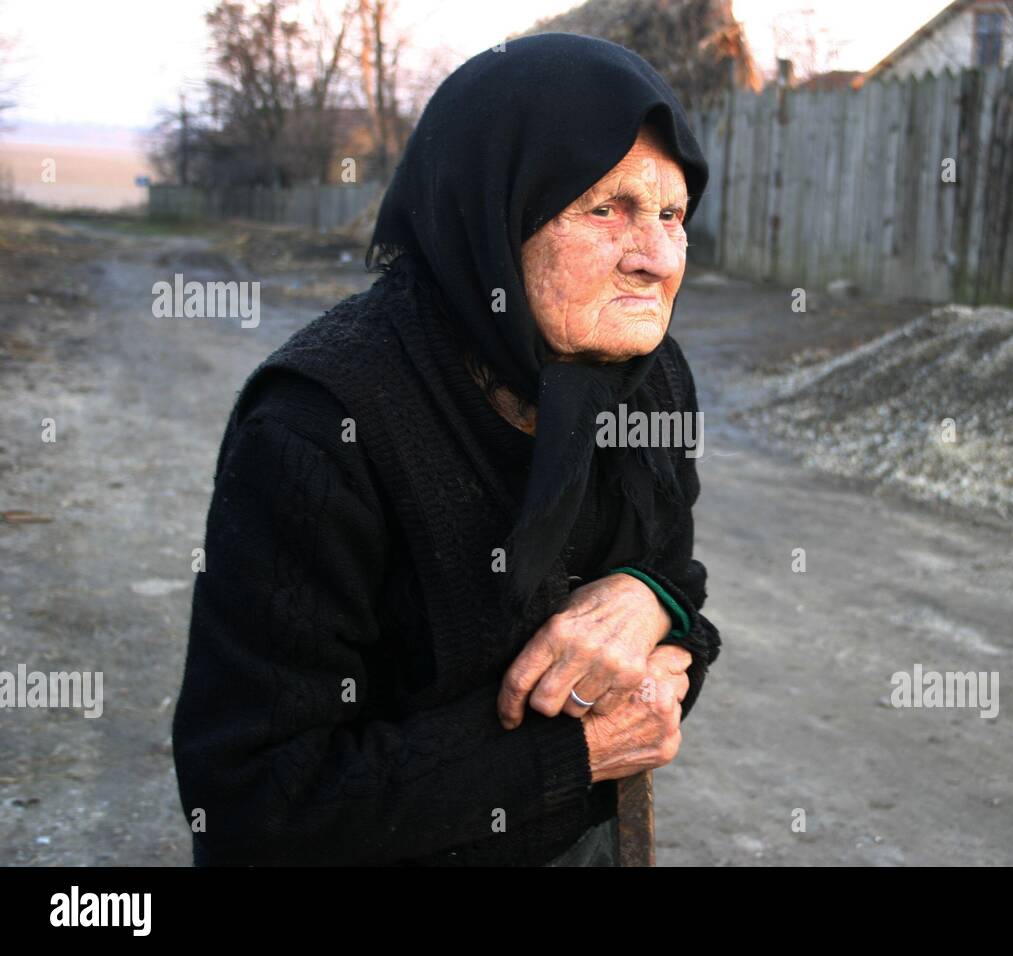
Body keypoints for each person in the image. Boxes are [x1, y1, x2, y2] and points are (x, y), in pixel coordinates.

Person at [171, 32, 722, 866]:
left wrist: (648, 601)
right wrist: (575, 755)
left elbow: (680, 597)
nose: (654, 258)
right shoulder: (318, 430)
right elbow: (256, 803)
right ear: (493, 216)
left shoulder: (647, 382)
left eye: (672, 214)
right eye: (606, 209)